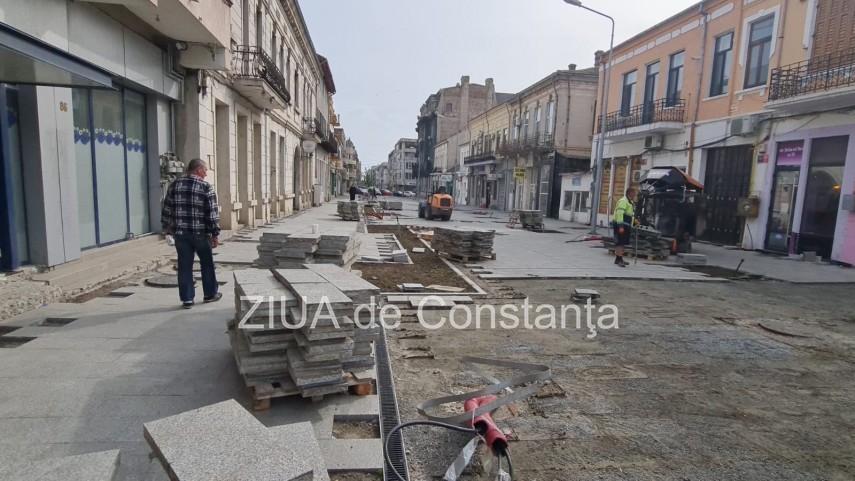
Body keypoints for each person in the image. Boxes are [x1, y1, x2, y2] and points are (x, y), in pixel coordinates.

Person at [162, 158, 222, 308]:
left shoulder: (174, 185)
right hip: (201, 234)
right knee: (207, 264)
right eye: (205, 170)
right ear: (198, 169)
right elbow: (212, 213)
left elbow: (167, 208)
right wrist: (215, 233)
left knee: (184, 265)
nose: (206, 174)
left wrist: (167, 227)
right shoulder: (205, 187)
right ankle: (210, 294)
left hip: (181, 234)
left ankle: (187, 299)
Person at [612, 188, 636, 267]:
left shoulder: (630, 202)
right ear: (630, 194)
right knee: (619, 243)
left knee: (622, 243)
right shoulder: (623, 201)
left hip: (626, 226)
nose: (634, 195)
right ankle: (619, 259)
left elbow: (629, 215)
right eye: (634, 194)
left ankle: (618, 258)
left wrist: (634, 221)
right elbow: (620, 213)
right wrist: (620, 226)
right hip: (621, 226)